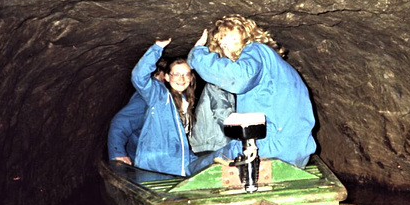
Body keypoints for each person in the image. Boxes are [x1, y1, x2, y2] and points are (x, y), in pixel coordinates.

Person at [187, 14, 316, 173]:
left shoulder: (256, 50)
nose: (225, 46)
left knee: (194, 169)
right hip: (296, 149)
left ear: (245, 34)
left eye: (228, 38)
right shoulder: (278, 68)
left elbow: (239, 78)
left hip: (270, 146)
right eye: (222, 43)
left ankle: (185, 172)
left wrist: (197, 53)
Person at [131, 39, 198, 176]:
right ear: (167, 77)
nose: (181, 79)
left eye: (186, 74)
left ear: (191, 78)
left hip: (174, 167)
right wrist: (157, 48)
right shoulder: (159, 95)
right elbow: (138, 77)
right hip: (154, 168)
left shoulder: (185, 101)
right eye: (176, 74)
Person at [108, 58, 168, 165]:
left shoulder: (169, 98)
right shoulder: (146, 98)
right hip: (144, 162)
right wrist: (118, 154)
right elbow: (121, 122)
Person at [188, 82, 236, 154]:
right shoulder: (216, 84)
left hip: (209, 144)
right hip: (211, 145)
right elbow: (223, 114)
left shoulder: (223, 84)